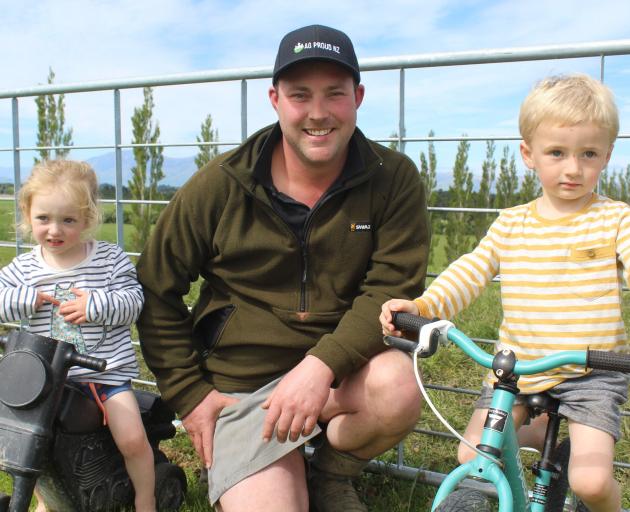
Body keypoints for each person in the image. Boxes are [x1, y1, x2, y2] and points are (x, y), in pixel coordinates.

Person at [136, 24, 429, 512]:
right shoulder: (220, 184)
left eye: (334, 94)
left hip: (338, 375)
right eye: (300, 95)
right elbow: (154, 286)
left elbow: (390, 288)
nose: (318, 113)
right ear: (275, 99)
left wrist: (321, 365)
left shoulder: (392, 177)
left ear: (358, 96)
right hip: (243, 391)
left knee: (398, 385)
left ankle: (330, 473)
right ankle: (273, 466)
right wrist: (190, 395)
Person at [381, 73, 628, 512]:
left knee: (590, 481)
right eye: (557, 153)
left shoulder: (614, 221)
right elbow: (471, 271)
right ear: (528, 154)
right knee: (471, 456)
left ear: (607, 155)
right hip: (519, 368)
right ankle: (543, 452)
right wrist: (424, 306)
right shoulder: (512, 223)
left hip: (593, 373)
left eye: (588, 154)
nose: (573, 168)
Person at [0, 160, 156, 512]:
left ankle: (147, 499)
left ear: (87, 219)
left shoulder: (109, 259)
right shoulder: (24, 270)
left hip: (105, 376)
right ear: (27, 214)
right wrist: (26, 299)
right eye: (43, 219)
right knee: (38, 447)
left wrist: (95, 306)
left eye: (68, 220)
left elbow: (133, 302)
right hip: (45, 383)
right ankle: (50, 501)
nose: (54, 230)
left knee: (131, 439)